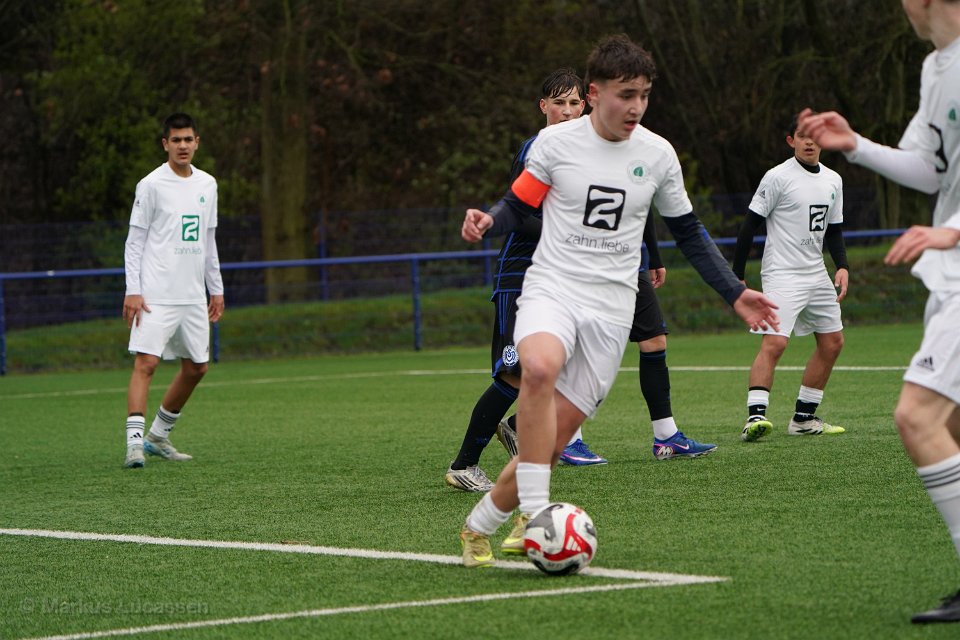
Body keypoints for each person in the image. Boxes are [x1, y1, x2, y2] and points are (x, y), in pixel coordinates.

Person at [457, 34, 778, 568]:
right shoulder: (554, 145)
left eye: (644, 95)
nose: (636, 107)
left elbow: (689, 232)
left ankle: (479, 525)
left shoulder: (657, 154)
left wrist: (736, 291)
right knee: (539, 367)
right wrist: (490, 220)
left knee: (551, 443)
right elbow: (519, 204)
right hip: (553, 285)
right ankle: (537, 516)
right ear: (594, 93)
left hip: (611, 306)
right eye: (625, 94)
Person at [445, 69, 716, 493]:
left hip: (573, 274)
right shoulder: (539, 147)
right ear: (543, 107)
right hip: (524, 275)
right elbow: (521, 212)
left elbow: (631, 206)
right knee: (517, 373)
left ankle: (523, 430)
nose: (568, 111)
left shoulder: (598, 147)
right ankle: (464, 464)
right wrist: (570, 230)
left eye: (574, 103)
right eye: (559, 103)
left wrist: (649, 254)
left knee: (563, 367)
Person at [799, 0, 960, 623]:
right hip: (949, 274)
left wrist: (952, 231)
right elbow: (930, 171)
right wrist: (856, 146)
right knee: (951, 426)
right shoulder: (937, 66)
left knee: (917, 416)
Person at [732, 112, 849, 442]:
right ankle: (755, 417)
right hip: (782, 272)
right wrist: (736, 276)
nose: (809, 142)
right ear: (791, 141)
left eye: (815, 136)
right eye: (802, 136)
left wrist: (842, 265)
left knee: (833, 342)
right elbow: (749, 226)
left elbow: (834, 230)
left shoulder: (833, 180)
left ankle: (803, 419)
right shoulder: (777, 177)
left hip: (816, 273)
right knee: (776, 342)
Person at [121, 112, 225, 469]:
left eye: (188, 139)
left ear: (197, 143)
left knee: (197, 368)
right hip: (156, 294)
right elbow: (135, 241)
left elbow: (208, 240)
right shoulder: (151, 185)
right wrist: (133, 289)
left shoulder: (208, 184)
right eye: (176, 140)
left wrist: (216, 288)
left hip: (193, 295)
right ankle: (134, 445)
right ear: (165, 144)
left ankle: (157, 437)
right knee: (146, 363)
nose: (183, 145)